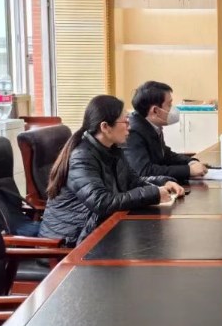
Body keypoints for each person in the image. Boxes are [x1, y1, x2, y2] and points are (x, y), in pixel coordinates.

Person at [40, 95, 185, 246]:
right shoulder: (81, 158)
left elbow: (133, 181)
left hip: (97, 230)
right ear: (105, 127)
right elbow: (101, 202)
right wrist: (153, 194)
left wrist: (163, 182)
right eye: (125, 121)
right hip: (69, 243)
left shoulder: (112, 150)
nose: (129, 127)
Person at [123, 81, 207, 182]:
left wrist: (191, 162)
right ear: (155, 110)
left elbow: (165, 155)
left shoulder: (151, 125)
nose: (173, 109)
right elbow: (144, 171)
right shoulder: (133, 131)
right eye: (169, 104)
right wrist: (188, 171)